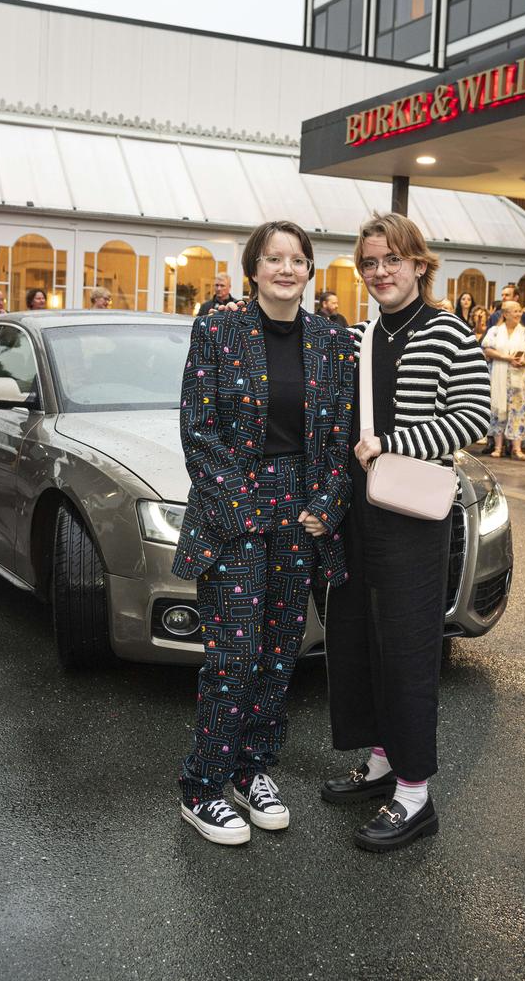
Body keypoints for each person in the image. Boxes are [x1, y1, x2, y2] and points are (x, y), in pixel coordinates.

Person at [172, 219, 355, 845]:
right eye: (272, 258)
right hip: (234, 511)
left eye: (296, 259)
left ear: (310, 271)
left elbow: (339, 436)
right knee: (234, 655)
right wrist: (247, 507)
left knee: (280, 653)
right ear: (253, 270)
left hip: (300, 511)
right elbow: (198, 429)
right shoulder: (217, 329)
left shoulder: (334, 340)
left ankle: (253, 772)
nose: (285, 268)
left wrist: (327, 503)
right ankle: (202, 786)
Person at [322, 212, 490, 853]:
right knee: (362, 638)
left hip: (416, 515)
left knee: (411, 648)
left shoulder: (446, 331)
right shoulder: (364, 336)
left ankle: (416, 795)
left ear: (419, 263)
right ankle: (386, 759)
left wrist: (392, 445)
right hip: (364, 511)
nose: (380, 273)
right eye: (369, 263)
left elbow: (475, 414)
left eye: (392, 260)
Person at [482, 300, 525, 460]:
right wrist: (506, 357)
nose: (518, 314)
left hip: (520, 378)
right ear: (505, 314)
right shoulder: (495, 331)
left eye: (519, 311)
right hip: (499, 376)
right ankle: (498, 447)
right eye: (514, 311)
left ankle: (516, 448)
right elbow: (487, 349)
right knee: (498, 410)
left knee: (518, 410)